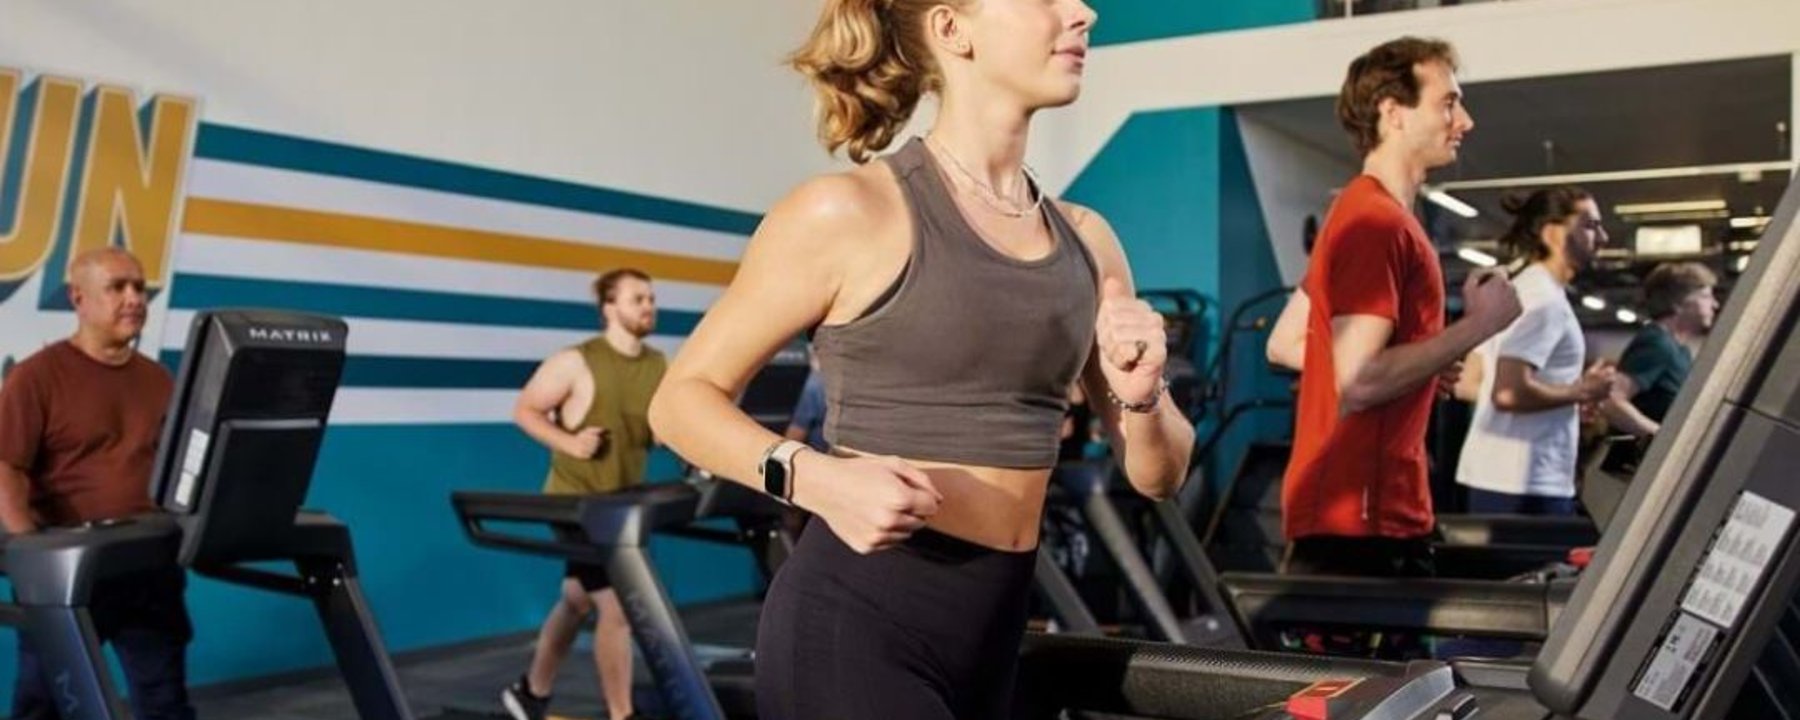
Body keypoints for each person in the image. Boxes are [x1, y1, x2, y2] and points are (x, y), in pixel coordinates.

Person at [646, 1, 1194, 717]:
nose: (1083, 12)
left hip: (992, 633)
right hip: (857, 623)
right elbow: (681, 399)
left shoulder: (1088, 240)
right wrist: (816, 480)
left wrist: (1142, 394)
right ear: (950, 28)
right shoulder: (848, 213)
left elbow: (1159, 475)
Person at [1264, 37, 1521, 577]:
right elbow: (1357, 381)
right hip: (1359, 521)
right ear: (1393, 113)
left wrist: (1420, 365)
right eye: (1448, 102)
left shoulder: (1363, 214)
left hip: (1362, 516)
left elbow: (1288, 343)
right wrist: (1479, 325)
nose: (1465, 120)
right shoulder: (1374, 224)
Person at [0, 247, 196, 720]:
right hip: (71, 572)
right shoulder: (37, 376)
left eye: (140, 287)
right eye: (117, 287)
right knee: (43, 703)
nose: (134, 298)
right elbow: (4, 466)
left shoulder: (159, 379)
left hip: (147, 565)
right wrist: (32, 556)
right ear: (79, 298)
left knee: (164, 700)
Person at [501, 269, 664, 720]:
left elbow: (660, 428)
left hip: (624, 504)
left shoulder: (656, 365)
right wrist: (571, 443)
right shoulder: (577, 361)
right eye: (638, 299)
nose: (648, 306)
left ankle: (530, 693)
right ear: (610, 308)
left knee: (576, 600)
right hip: (576, 504)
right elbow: (525, 410)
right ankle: (621, 713)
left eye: (651, 298)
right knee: (618, 608)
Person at [1453, 186, 1616, 515]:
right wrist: (1580, 391)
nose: (1604, 236)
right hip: (1528, 485)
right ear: (1554, 234)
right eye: (1590, 225)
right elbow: (1508, 394)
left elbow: (1470, 384)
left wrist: (1560, 398)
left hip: (1494, 477)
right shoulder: (1544, 301)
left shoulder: (1517, 291)